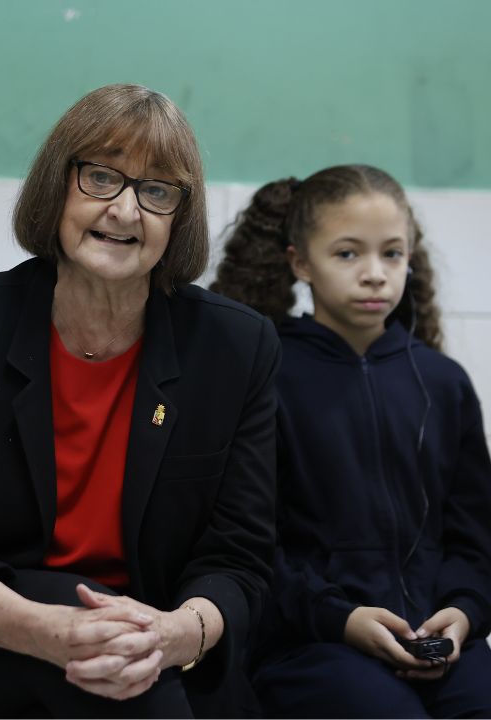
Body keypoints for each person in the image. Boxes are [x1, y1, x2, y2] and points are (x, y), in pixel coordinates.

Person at [0, 83, 279, 718]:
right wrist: (52, 631)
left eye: (156, 191)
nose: (125, 210)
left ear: (179, 217)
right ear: (57, 186)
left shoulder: (236, 347)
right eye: (101, 177)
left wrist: (175, 635)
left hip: (149, 643)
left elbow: (240, 557)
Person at [210, 164, 491, 718]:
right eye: (347, 254)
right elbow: (250, 545)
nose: (375, 275)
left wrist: (463, 613)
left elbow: (475, 540)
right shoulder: (266, 375)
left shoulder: (443, 383)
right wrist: (342, 618)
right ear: (300, 262)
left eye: (392, 253)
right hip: (312, 643)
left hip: (436, 641)